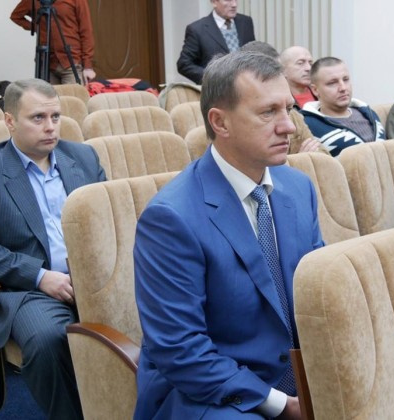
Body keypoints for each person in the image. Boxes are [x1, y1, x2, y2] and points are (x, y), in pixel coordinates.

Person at [134, 50, 324, 419]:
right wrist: (282, 404)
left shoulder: (299, 188)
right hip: (213, 391)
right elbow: (181, 350)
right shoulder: (170, 218)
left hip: (300, 377)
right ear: (220, 122)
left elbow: (316, 292)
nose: (289, 126)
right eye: (268, 112)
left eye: (288, 109)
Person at [0, 78, 106, 419]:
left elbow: (108, 221)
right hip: (30, 289)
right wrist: (39, 276)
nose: (50, 127)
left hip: (96, 280)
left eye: (55, 116)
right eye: (38, 118)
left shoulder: (83, 157)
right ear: (10, 121)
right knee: (48, 339)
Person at [240, 40, 324, 155]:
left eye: (311, 62)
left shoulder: (295, 115)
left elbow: (322, 153)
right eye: (300, 63)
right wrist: (301, 160)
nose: (308, 68)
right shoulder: (240, 117)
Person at [301, 57, 386, 157]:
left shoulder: (370, 113)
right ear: (315, 90)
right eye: (332, 83)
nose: (343, 88)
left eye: (345, 80)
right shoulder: (306, 125)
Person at [10, 0, 96, 85]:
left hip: (71, 61)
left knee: (73, 93)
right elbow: (16, 16)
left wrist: (88, 66)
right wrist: (37, 27)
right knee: (46, 94)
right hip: (46, 62)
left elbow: (86, 31)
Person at [177, 0, 255, 85]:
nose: (234, 4)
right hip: (217, 89)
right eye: (228, 0)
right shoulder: (197, 29)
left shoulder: (246, 22)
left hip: (246, 87)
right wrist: (212, 78)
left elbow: (254, 54)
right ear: (214, 2)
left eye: (236, 0)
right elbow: (184, 64)